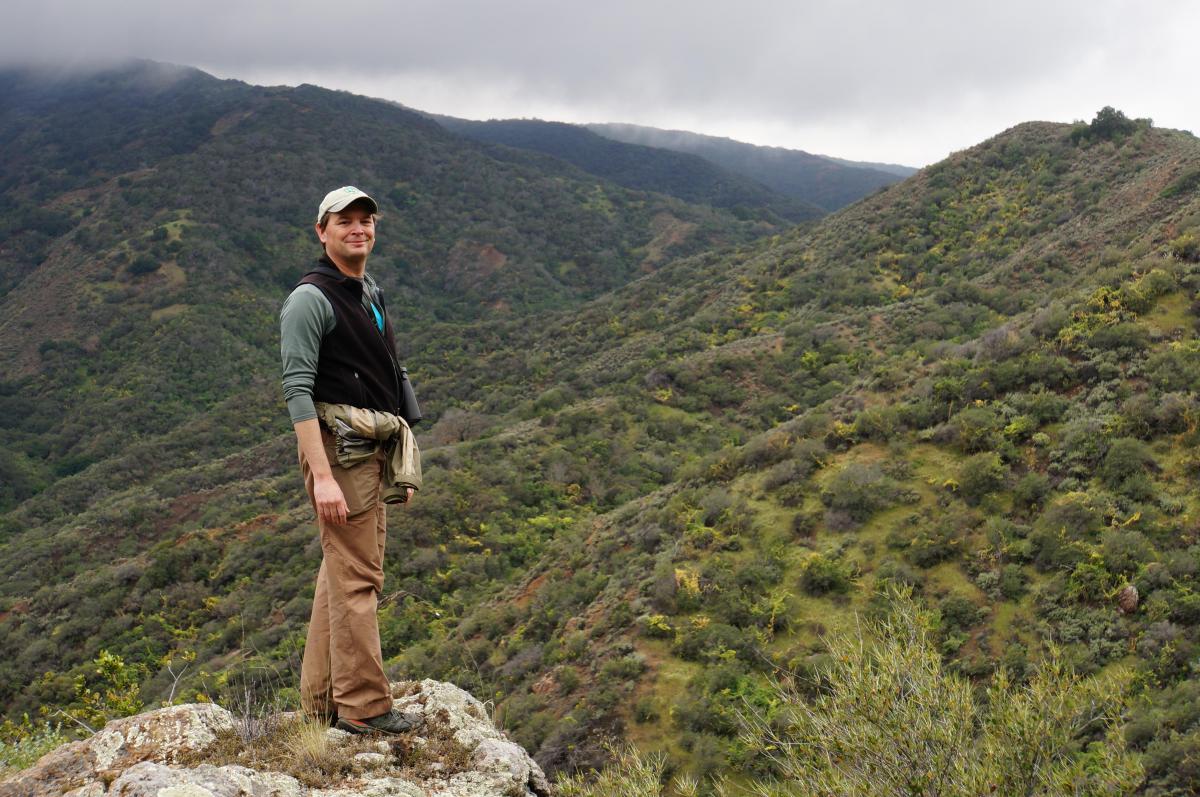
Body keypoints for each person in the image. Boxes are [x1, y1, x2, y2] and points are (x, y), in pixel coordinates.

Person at [279, 186, 416, 735]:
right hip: (341, 452)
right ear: (322, 231)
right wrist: (323, 477)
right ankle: (363, 705)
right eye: (345, 222)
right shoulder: (310, 300)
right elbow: (297, 391)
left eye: (367, 220)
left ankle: (319, 703)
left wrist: (397, 465)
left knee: (339, 574)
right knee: (360, 578)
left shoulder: (366, 291)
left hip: (371, 448)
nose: (359, 229)